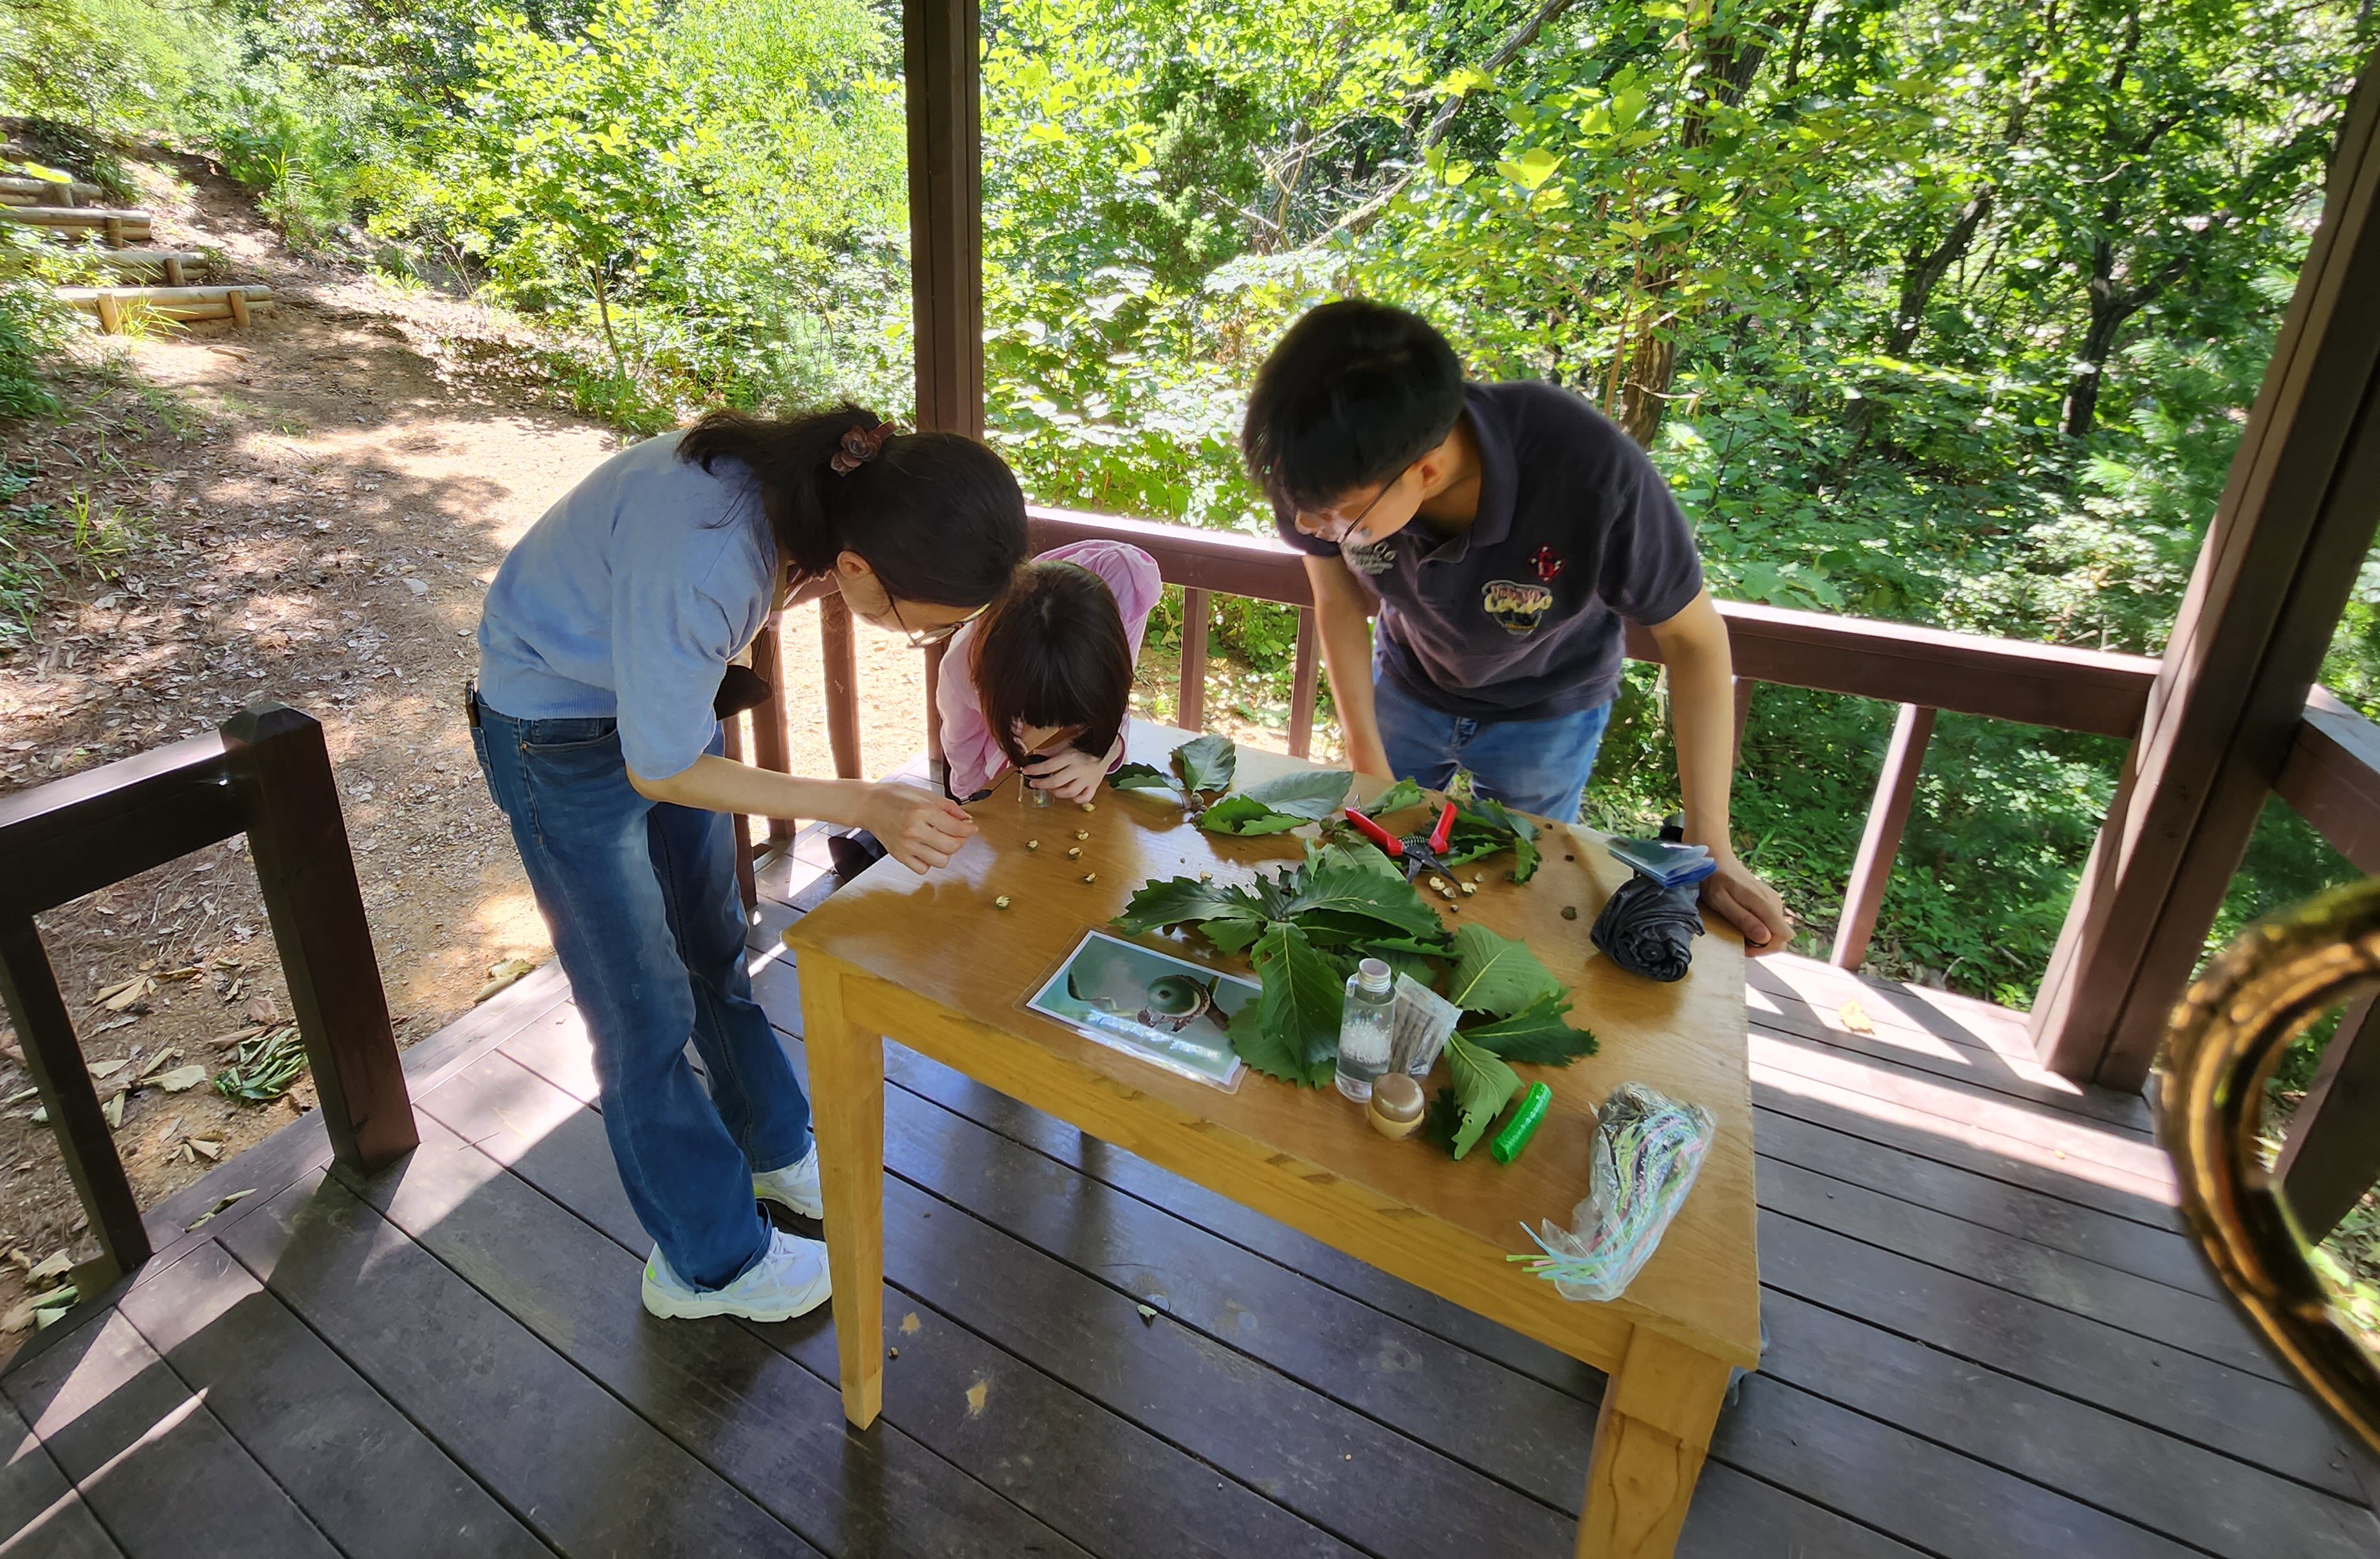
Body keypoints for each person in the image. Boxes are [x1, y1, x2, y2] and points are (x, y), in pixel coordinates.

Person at [468, 405, 1027, 1325]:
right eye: (920, 623)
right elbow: (659, 767)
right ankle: (707, 1265)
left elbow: (668, 735)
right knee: (639, 1014)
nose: (924, 640)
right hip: (555, 733)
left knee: (712, 944)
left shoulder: (834, 491)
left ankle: (768, 1146)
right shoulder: (709, 554)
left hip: (654, 705)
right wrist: (863, 803)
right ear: (853, 568)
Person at [1241, 300, 1793, 954]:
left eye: (1335, 516)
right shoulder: (1320, 473)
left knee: (1521, 884)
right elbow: (1334, 597)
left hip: (1546, 712)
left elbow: (1694, 641)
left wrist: (1713, 848)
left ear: (1425, 470)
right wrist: (1367, 760)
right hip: (1407, 683)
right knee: (1371, 866)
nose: (1307, 526)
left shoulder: (1589, 473)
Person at [827, 541, 1160, 883]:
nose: (1053, 730)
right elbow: (971, 787)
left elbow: (1116, 691)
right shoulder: (962, 677)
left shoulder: (1124, 579)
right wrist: (1009, 771)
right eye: (1035, 720)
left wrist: (1103, 752)